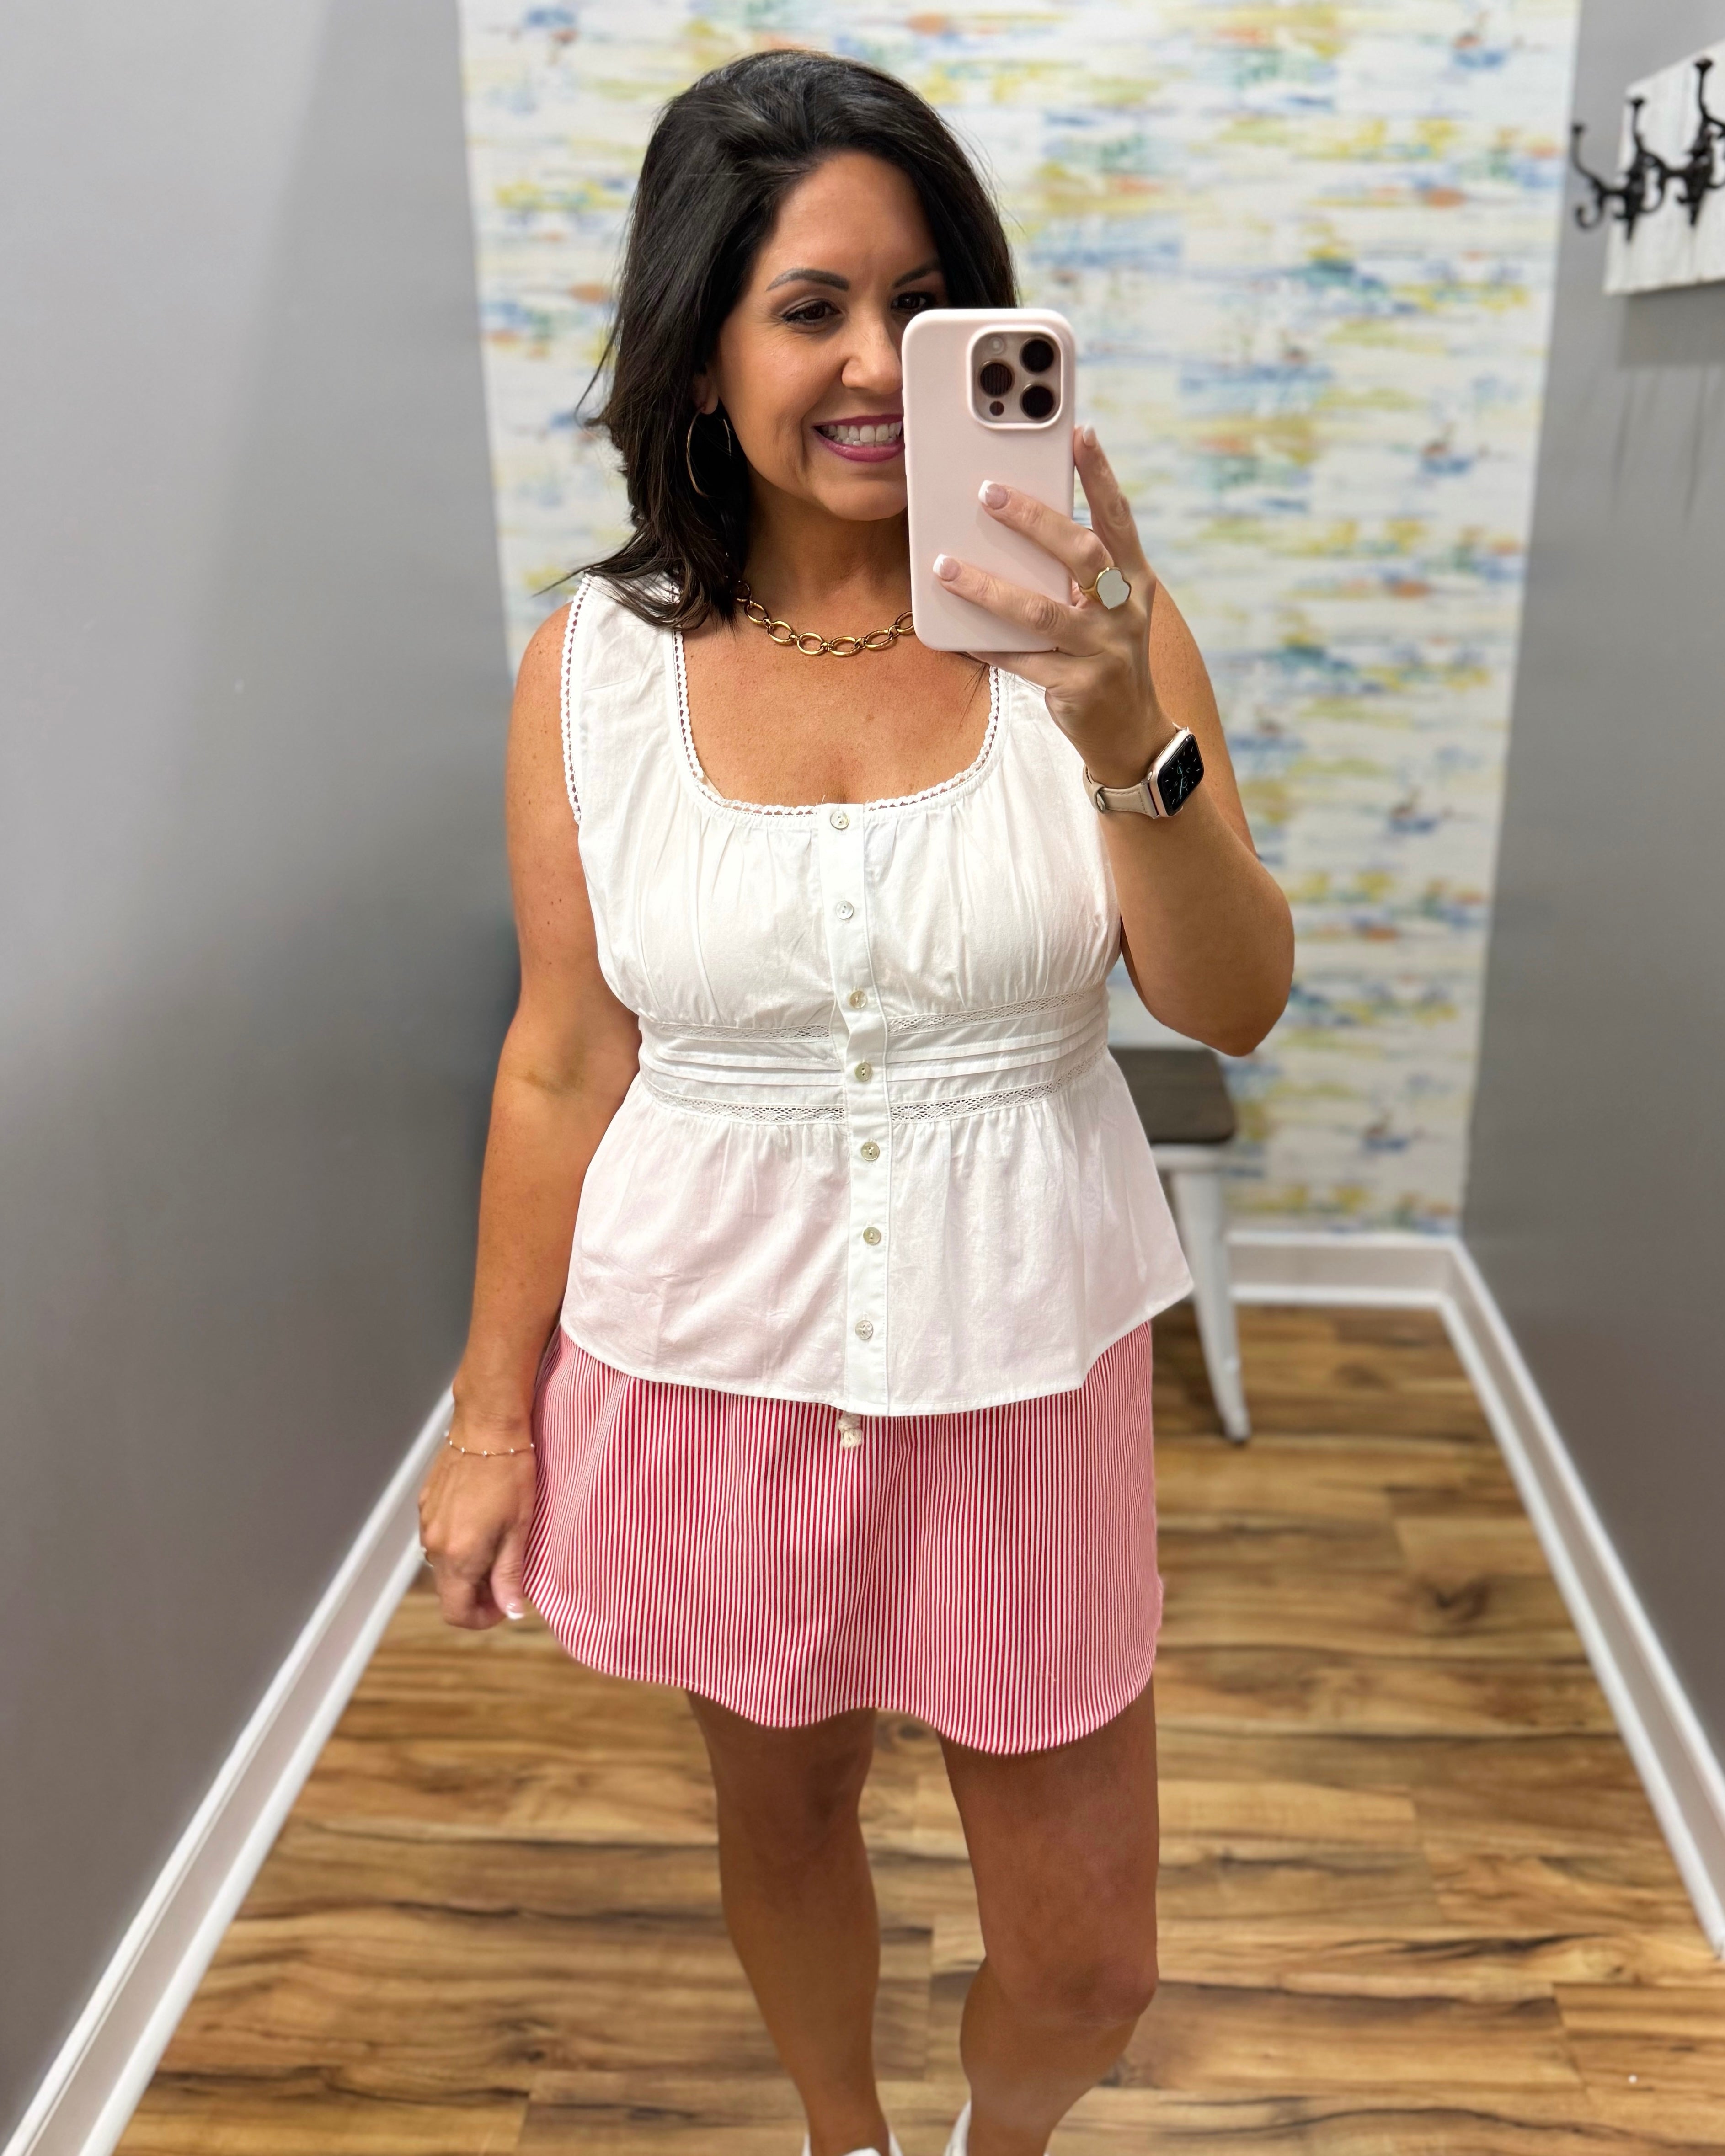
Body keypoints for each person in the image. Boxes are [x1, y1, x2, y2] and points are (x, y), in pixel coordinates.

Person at [417, 48, 1292, 2156]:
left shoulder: (1086, 626)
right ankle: (843, 2135)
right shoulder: (594, 671)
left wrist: (1111, 722)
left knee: (1088, 1955)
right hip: (709, 1346)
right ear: (702, 342)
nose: (877, 364)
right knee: (786, 1803)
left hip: (1019, 1361)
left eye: (925, 306)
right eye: (812, 306)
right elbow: (564, 1057)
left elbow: (1231, 1000)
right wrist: (489, 1419)